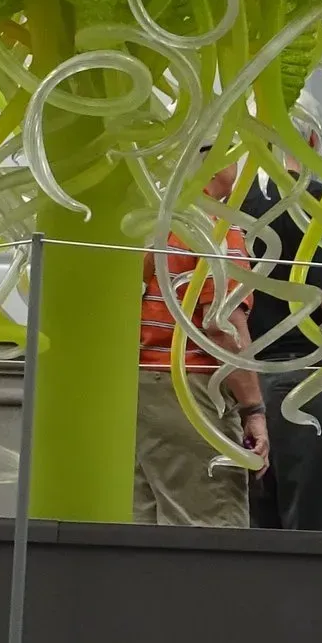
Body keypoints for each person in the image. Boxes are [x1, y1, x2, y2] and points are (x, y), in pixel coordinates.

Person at [241, 99, 322, 532]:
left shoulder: (235, 203)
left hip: (244, 380)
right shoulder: (314, 201)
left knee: (257, 519)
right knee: (317, 524)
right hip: (306, 377)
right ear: (313, 138)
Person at [132, 162, 269, 530]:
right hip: (192, 387)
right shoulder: (214, 226)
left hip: (136, 387)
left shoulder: (148, 220)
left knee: (140, 524)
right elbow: (221, 327)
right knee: (207, 527)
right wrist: (253, 409)